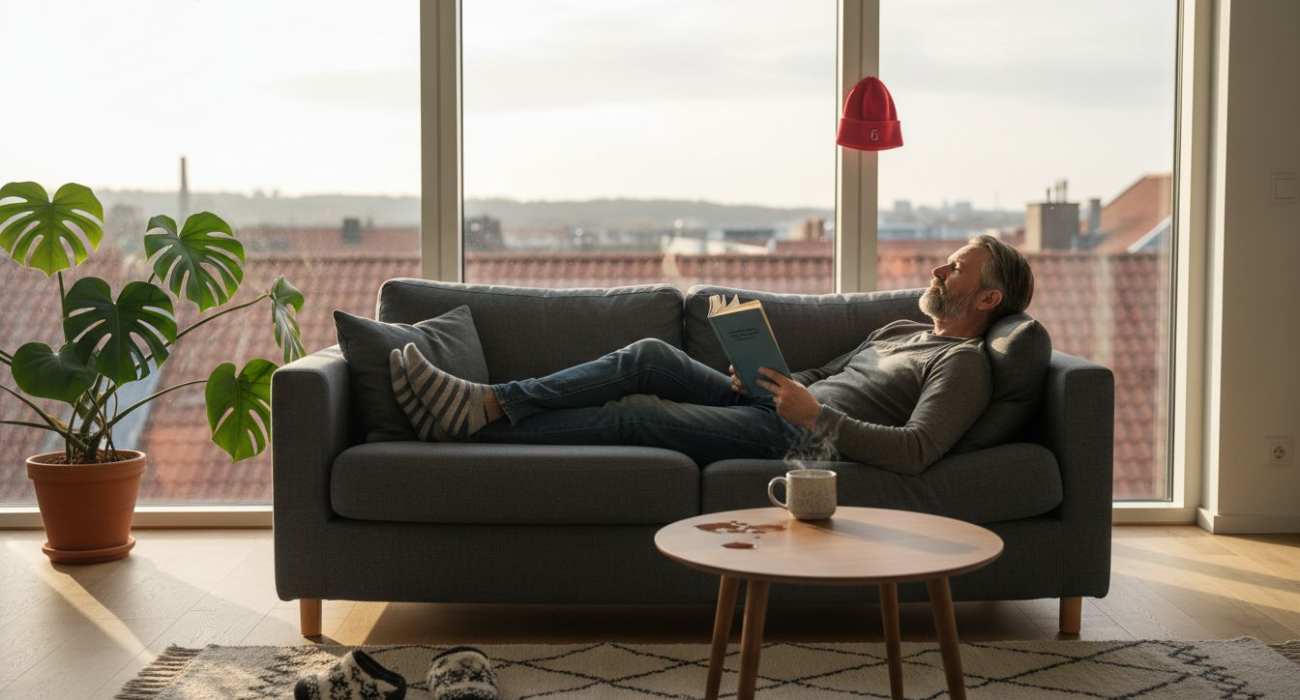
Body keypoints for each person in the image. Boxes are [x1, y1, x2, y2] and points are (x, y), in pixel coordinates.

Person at [393, 234, 1035, 475]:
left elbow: (918, 450)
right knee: (647, 354)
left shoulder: (965, 364)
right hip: (779, 405)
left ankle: (471, 423)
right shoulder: (901, 329)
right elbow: (827, 374)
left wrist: (814, 416)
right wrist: (769, 377)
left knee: (636, 414)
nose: (938, 269)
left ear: (987, 298)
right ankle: (487, 402)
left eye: (956, 269)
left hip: (806, 440)